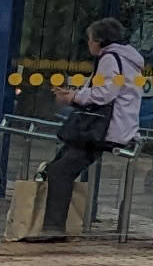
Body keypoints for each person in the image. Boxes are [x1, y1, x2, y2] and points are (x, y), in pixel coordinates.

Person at [33, 16, 145, 242]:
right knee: (58, 166)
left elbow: (105, 93)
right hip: (115, 126)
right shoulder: (127, 58)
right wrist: (76, 94)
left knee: (60, 170)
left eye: (90, 39)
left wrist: (73, 96)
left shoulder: (111, 58)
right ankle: (52, 225)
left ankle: (53, 228)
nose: (89, 44)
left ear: (100, 41)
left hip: (105, 130)